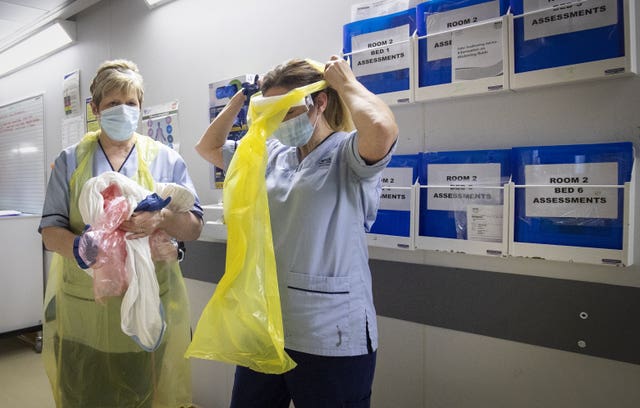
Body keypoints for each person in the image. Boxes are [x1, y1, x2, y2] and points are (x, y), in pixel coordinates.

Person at [195, 55, 398, 407]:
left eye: (286, 109)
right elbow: (208, 147)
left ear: (319, 102)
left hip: (331, 334)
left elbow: (381, 129)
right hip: (268, 328)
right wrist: (242, 99)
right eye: (271, 111)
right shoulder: (271, 154)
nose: (277, 121)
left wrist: (345, 83)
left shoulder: (347, 154)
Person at [39, 59, 203, 408]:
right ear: (95, 108)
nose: (124, 110)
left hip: (146, 310)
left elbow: (193, 226)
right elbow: (50, 231)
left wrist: (159, 219)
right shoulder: (70, 162)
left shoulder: (166, 159)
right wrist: (82, 247)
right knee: (83, 394)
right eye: (113, 103)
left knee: (142, 395)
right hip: (83, 310)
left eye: (132, 103)